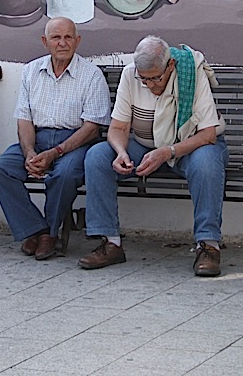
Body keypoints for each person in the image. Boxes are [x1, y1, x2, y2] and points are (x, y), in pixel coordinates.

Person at [79, 36, 228, 276]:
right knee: (97, 157)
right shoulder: (131, 75)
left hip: (188, 147)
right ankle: (111, 242)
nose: (149, 85)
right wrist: (120, 152)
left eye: (155, 78)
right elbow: (118, 129)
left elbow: (208, 134)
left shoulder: (191, 73)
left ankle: (208, 246)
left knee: (208, 162)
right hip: (145, 145)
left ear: (169, 66)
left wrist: (169, 151)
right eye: (144, 78)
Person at [0, 17, 111, 259]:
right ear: (45, 42)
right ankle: (36, 229)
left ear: (78, 41)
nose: (62, 43)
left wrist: (56, 152)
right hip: (39, 139)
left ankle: (50, 233)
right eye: (56, 37)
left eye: (68, 37)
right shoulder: (31, 71)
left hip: (76, 142)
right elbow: (24, 119)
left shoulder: (91, 75)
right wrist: (30, 152)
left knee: (63, 175)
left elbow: (92, 128)